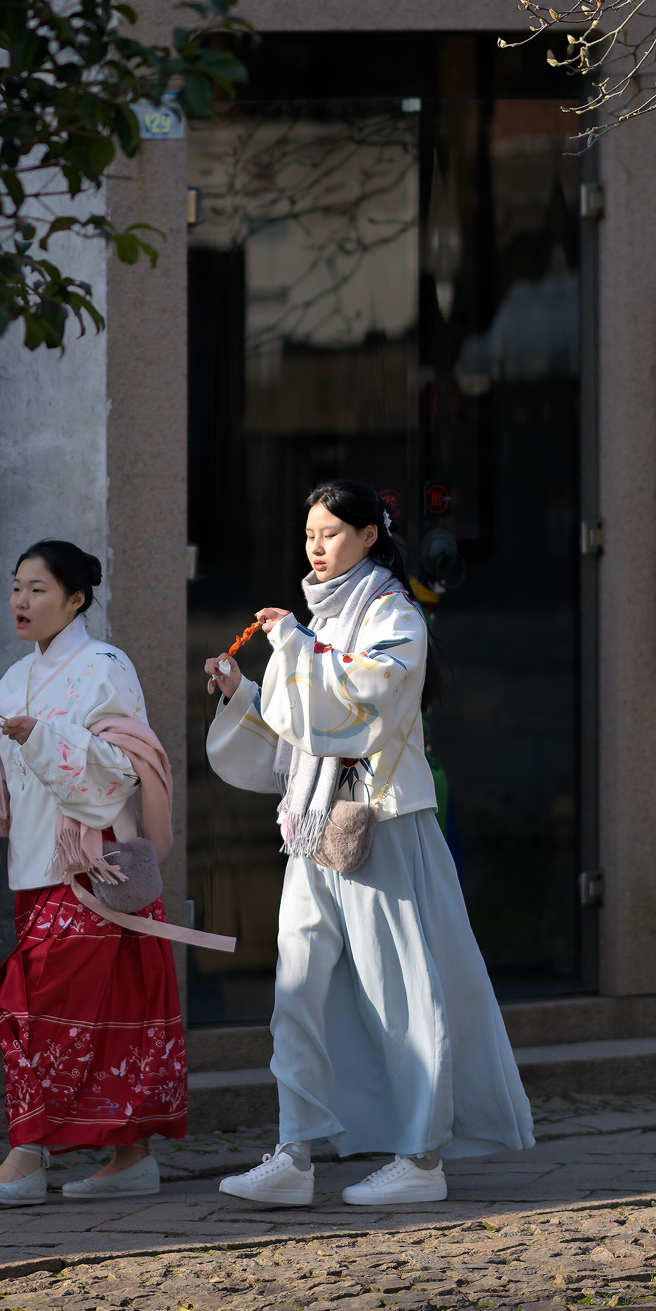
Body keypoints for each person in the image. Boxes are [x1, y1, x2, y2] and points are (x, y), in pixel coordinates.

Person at [202, 481, 533, 1206]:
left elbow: (358, 707)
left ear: (369, 536)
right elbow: (301, 732)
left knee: (401, 989)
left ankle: (420, 1159)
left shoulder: (394, 613)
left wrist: (290, 645)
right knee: (297, 988)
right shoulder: (327, 619)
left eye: (330, 532)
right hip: (318, 822)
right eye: (309, 534)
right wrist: (241, 696)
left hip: (381, 820)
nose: (316, 546)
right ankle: (293, 1151)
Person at [0, 540, 187, 1206]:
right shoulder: (11, 678)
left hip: (94, 870)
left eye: (37, 589)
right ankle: (131, 1158)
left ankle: (27, 1157)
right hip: (36, 871)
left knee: (30, 1009)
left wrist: (42, 737)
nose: (21, 602)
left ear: (76, 599)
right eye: (15, 588)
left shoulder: (105, 665)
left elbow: (125, 765)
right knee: (102, 1014)